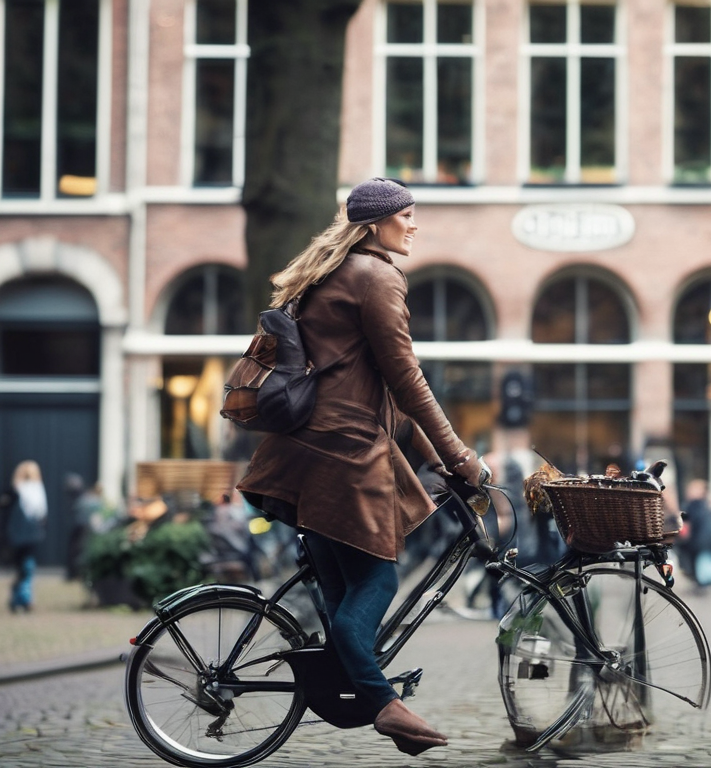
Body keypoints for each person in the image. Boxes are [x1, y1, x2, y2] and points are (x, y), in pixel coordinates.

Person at [236, 177, 489, 756]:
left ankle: (342, 690)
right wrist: (459, 456)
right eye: (406, 215)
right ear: (376, 225)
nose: (414, 224)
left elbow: (386, 392)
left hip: (304, 451)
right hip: (343, 456)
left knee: (342, 594)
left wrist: (439, 458)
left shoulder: (330, 274)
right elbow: (407, 379)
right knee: (377, 582)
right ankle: (382, 705)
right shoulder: (377, 276)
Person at [5, 460, 48, 613]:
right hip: (31, 535)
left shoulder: (16, 490)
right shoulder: (37, 489)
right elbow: (42, 512)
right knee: (27, 567)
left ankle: (20, 598)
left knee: (22, 568)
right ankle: (24, 598)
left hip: (18, 535)